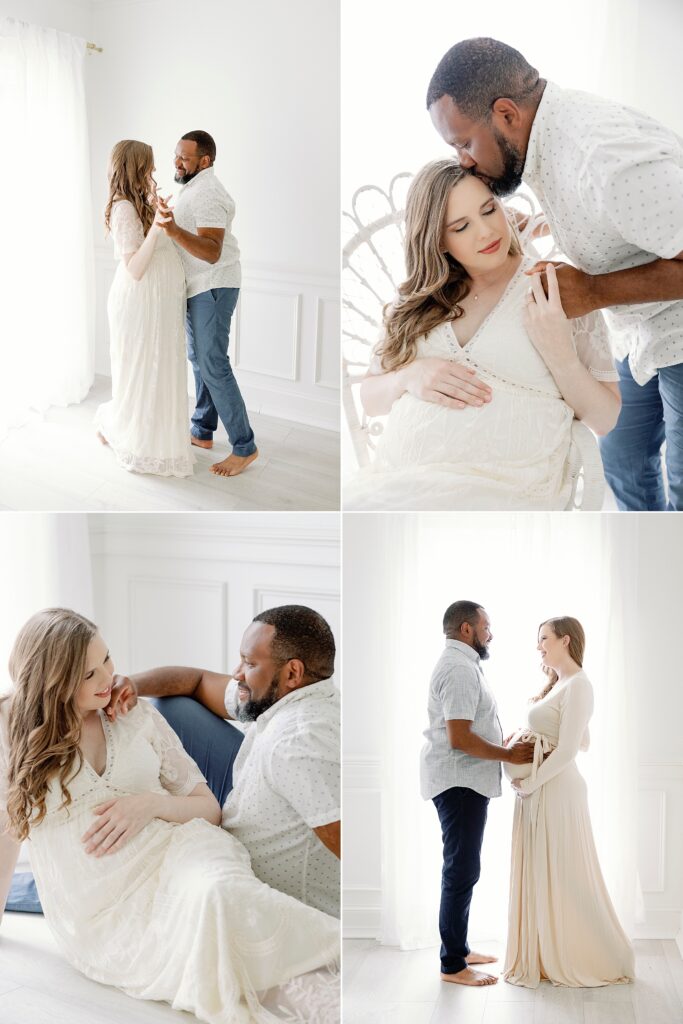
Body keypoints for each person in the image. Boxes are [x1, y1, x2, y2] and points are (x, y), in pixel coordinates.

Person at [0, 608, 339, 1024]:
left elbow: (209, 809)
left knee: (219, 895)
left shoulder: (136, 715)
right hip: (104, 901)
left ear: (293, 673)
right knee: (217, 931)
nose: (109, 677)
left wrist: (150, 804)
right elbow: (7, 827)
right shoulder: (11, 725)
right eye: (90, 673)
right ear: (54, 681)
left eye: (107, 659)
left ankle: (337, 979)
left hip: (182, 852)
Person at [427, 37, 683, 511]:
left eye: (464, 142)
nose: (463, 160)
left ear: (506, 114)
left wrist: (592, 291)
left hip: (678, 332)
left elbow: (610, 187)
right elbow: (606, 210)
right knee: (623, 463)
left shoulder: (604, 159)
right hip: (639, 330)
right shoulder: (543, 137)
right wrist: (543, 225)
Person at [344, 160, 620, 510]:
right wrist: (408, 377)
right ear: (439, 241)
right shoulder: (416, 301)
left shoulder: (556, 288)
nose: (487, 232)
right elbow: (370, 399)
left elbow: (604, 419)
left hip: (503, 492)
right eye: (461, 227)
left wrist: (561, 357)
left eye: (489, 210)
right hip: (396, 482)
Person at [107, 604, 340, 919]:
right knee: (174, 706)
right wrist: (132, 685)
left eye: (249, 663)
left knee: (124, 877)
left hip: (248, 876)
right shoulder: (290, 693)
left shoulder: (299, 744)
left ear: (292, 673)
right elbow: (196, 681)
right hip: (250, 795)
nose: (237, 673)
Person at [503, 617, 634, 987]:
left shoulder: (580, 684)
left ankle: (606, 955)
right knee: (546, 873)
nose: (539, 646)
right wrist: (528, 738)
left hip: (555, 789)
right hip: (539, 789)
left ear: (565, 640)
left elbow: (570, 752)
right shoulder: (560, 684)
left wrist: (532, 782)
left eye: (544, 638)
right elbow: (582, 739)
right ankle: (545, 953)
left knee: (566, 874)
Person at [420, 601, 535, 987]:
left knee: (463, 867)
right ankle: (453, 965)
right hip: (459, 783)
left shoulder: (464, 664)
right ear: (466, 629)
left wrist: (500, 742)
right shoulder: (458, 668)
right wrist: (508, 755)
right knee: (461, 869)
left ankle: (460, 948)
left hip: (464, 780)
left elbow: (468, 728)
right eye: (486, 627)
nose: (491, 634)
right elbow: (460, 738)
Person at [156, 131, 258, 478]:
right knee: (200, 360)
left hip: (213, 285)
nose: (177, 162)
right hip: (199, 286)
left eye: (184, 157)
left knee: (213, 364)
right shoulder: (194, 188)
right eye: (176, 155)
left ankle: (244, 446)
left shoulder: (209, 192)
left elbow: (212, 252)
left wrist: (173, 231)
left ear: (205, 160)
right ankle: (201, 430)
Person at [95, 140, 193, 477]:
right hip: (139, 302)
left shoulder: (142, 199)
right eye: (148, 164)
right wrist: (156, 226)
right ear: (135, 166)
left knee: (160, 368)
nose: (154, 169)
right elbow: (135, 268)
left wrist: (157, 209)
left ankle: (156, 438)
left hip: (159, 303)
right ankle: (132, 437)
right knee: (141, 372)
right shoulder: (123, 208)